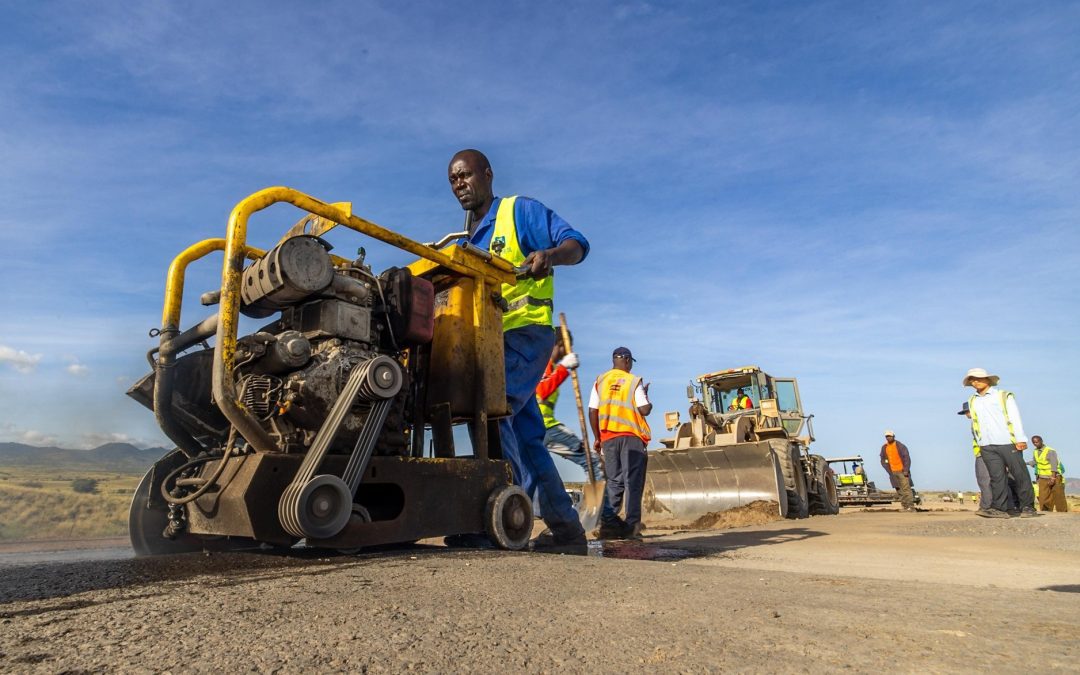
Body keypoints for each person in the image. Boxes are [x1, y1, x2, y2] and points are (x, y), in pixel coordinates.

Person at [447, 149, 589, 549]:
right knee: (527, 438)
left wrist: (550, 255)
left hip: (524, 335)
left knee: (489, 407)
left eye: (465, 174)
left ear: (488, 174)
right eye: (453, 180)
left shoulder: (518, 213)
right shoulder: (466, 239)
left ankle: (501, 519)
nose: (459, 183)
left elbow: (576, 243)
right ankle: (566, 529)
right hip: (490, 340)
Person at [536, 333, 618, 526]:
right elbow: (540, 392)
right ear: (557, 345)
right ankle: (606, 518)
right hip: (546, 427)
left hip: (538, 428)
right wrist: (564, 368)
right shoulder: (543, 364)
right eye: (566, 348)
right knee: (593, 461)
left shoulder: (544, 365)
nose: (568, 352)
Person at [589, 347, 652, 539]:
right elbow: (644, 410)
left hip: (608, 439)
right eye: (630, 361)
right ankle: (632, 526)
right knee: (632, 482)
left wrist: (598, 437)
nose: (631, 365)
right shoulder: (634, 381)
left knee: (614, 482)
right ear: (625, 360)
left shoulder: (600, 381)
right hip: (631, 438)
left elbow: (593, 411)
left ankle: (609, 525)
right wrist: (647, 397)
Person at [963, 367, 1037, 518]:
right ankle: (999, 509)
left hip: (1007, 441)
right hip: (986, 445)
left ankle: (1028, 507)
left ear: (988, 379)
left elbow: (1014, 416)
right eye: (972, 379)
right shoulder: (973, 400)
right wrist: (981, 442)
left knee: (1019, 474)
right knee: (997, 477)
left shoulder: (1002, 396)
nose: (975, 381)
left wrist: (1020, 438)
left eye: (978, 378)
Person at [958, 401, 992, 513]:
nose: (966, 415)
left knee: (984, 480)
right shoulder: (984, 420)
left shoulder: (977, 422)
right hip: (987, 453)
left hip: (983, 453)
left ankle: (986, 506)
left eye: (967, 412)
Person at [1027, 436, 1068, 512]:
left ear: (1041, 441)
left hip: (1054, 476)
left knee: (1058, 496)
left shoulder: (1050, 451)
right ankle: (1046, 513)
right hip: (1042, 477)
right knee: (1043, 497)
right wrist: (1025, 463)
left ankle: (1063, 513)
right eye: (1034, 442)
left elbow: (1054, 465)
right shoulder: (1035, 451)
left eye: (1037, 442)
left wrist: (1053, 478)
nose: (1036, 444)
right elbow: (1035, 462)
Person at [879, 430, 915, 512]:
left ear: (893, 436)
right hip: (892, 472)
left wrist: (906, 470)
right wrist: (887, 469)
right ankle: (905, 507)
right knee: (899, 490)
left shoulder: (900, 446)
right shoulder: (884, 447)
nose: (888, 437)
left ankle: (911, 507)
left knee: (906, 489)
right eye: (887, 436)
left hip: (902, 471)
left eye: (890, 436)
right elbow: (882, 459)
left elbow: (907, 458)